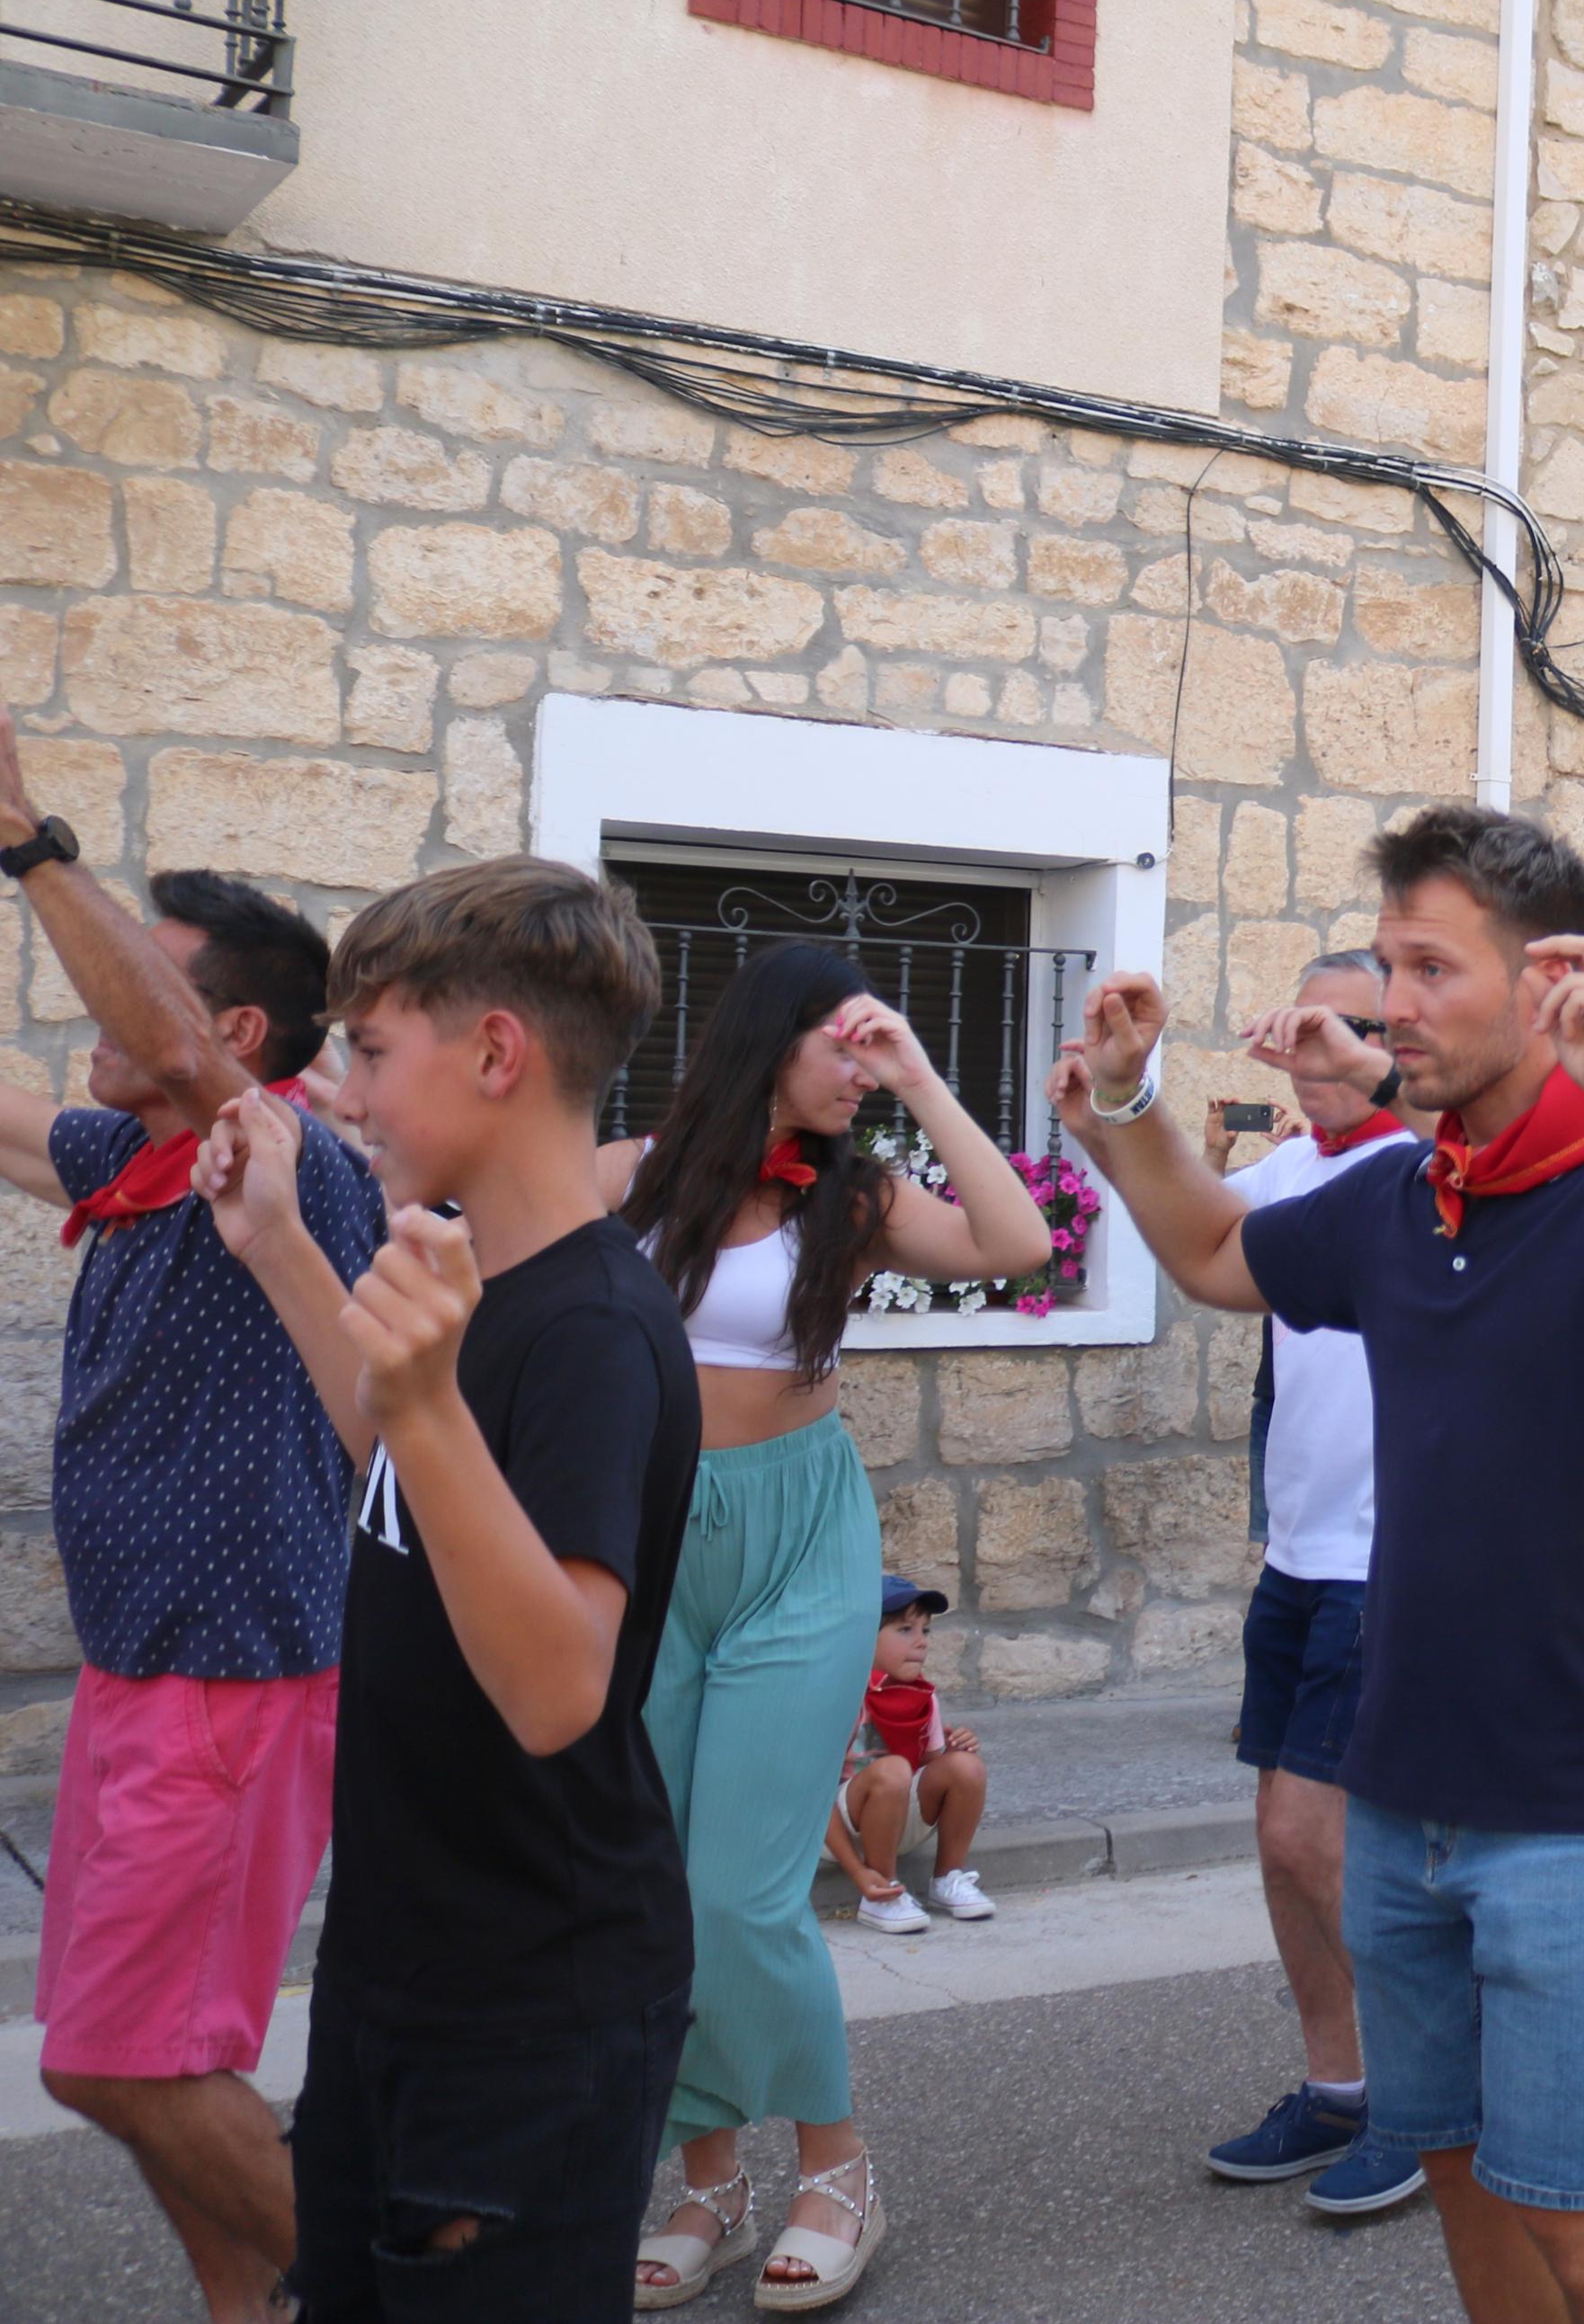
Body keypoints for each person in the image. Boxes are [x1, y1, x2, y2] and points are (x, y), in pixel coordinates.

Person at [1054, 806, 1584, 2324]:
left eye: (1426, 966)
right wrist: (1129, 1105)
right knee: (1458, 2166)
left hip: (1583, 1800)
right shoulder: (1411, 1195)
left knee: (1583, 2213)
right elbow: (1215, 1258)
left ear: (1547, 986)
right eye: (1385, 965)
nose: (1387, 1005)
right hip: (1401, 1791)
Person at [196, 856, 703, 2320]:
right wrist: (279, 1248)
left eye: (366, 1050)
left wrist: (423, 1405)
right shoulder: (483, 1283)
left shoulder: (597, 1328)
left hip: (531, 1997)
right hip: (405, 1956)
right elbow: (412, 1481)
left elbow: (556, 1692)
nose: (342, 1095)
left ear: (495, 1053)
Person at [0, 733, 385, 2324]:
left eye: (137, 989)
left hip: (234, 1683)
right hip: (141, 1673)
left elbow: (166, 1049)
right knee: (166, 2051)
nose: (102, 1017)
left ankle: (386, 2294)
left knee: (111, 2058)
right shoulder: (145, 1161)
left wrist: (32, 851)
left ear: (227, 1030)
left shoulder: (293, 1161)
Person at [615, 941, 1050, 2310]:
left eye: (878, 1048)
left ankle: (835, 2166)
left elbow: (1017, 1244)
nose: (861, 1068)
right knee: (655, 1887)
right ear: (771, 1037)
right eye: (848, 1043)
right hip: (643, 1541)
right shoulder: (627, 1172)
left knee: (743, 1888)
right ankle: (707, 2176)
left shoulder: (854, 1193)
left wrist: (920, 1077)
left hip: (798, 1541)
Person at [1197, 950, 1429, 2220]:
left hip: (1385, 1564)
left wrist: (1361, 1068)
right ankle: (1337, 2085)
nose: (1316, 1043)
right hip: (1297, 1556)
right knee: (1281, 1848)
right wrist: (1115, 1102)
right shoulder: (1293, 1169)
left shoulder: (1424, 1169)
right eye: (1303, 1021)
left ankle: (1423, 2092)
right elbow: (1188, 1226)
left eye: (1351, 1026)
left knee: (1313, 1835)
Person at [825, 1577, 992, 1935]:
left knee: (967, 1767)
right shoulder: (838, 1696)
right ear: (862, 1637)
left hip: (895, 1819)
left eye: (925, 1631)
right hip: (832, 1828)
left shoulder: (922, 1698)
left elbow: (929, 1773)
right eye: (904, 1629)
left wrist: (954, 1754)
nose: (921, 1642)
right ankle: (882, 1892)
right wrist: (858, 1872)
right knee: (894, 1769)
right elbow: (810, 1797)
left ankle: (948, 1878)